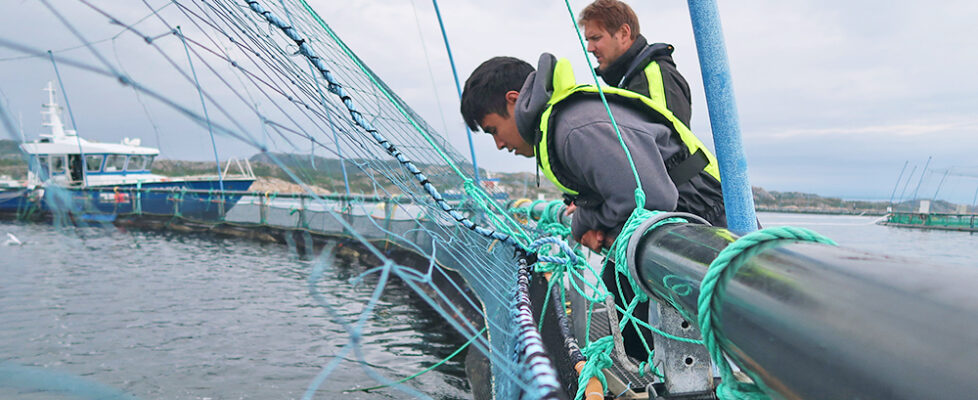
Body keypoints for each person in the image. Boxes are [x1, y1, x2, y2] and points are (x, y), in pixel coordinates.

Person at [461, 54, 724, 363]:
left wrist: (584, 222)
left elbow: (649, 195)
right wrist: (593, 221)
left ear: (513, 101)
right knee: (624, 300)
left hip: (703, 217)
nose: (499, 145)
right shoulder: (558, 126)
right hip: (675, 216)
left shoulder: (574, 128)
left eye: (493, 130)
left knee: (694, 328)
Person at [579, 0, 693, 128]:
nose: (589, 48)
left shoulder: (653, 76)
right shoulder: (631, 79)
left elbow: (667, 144)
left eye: (596, 38)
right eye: (588, 40)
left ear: (624, 33)